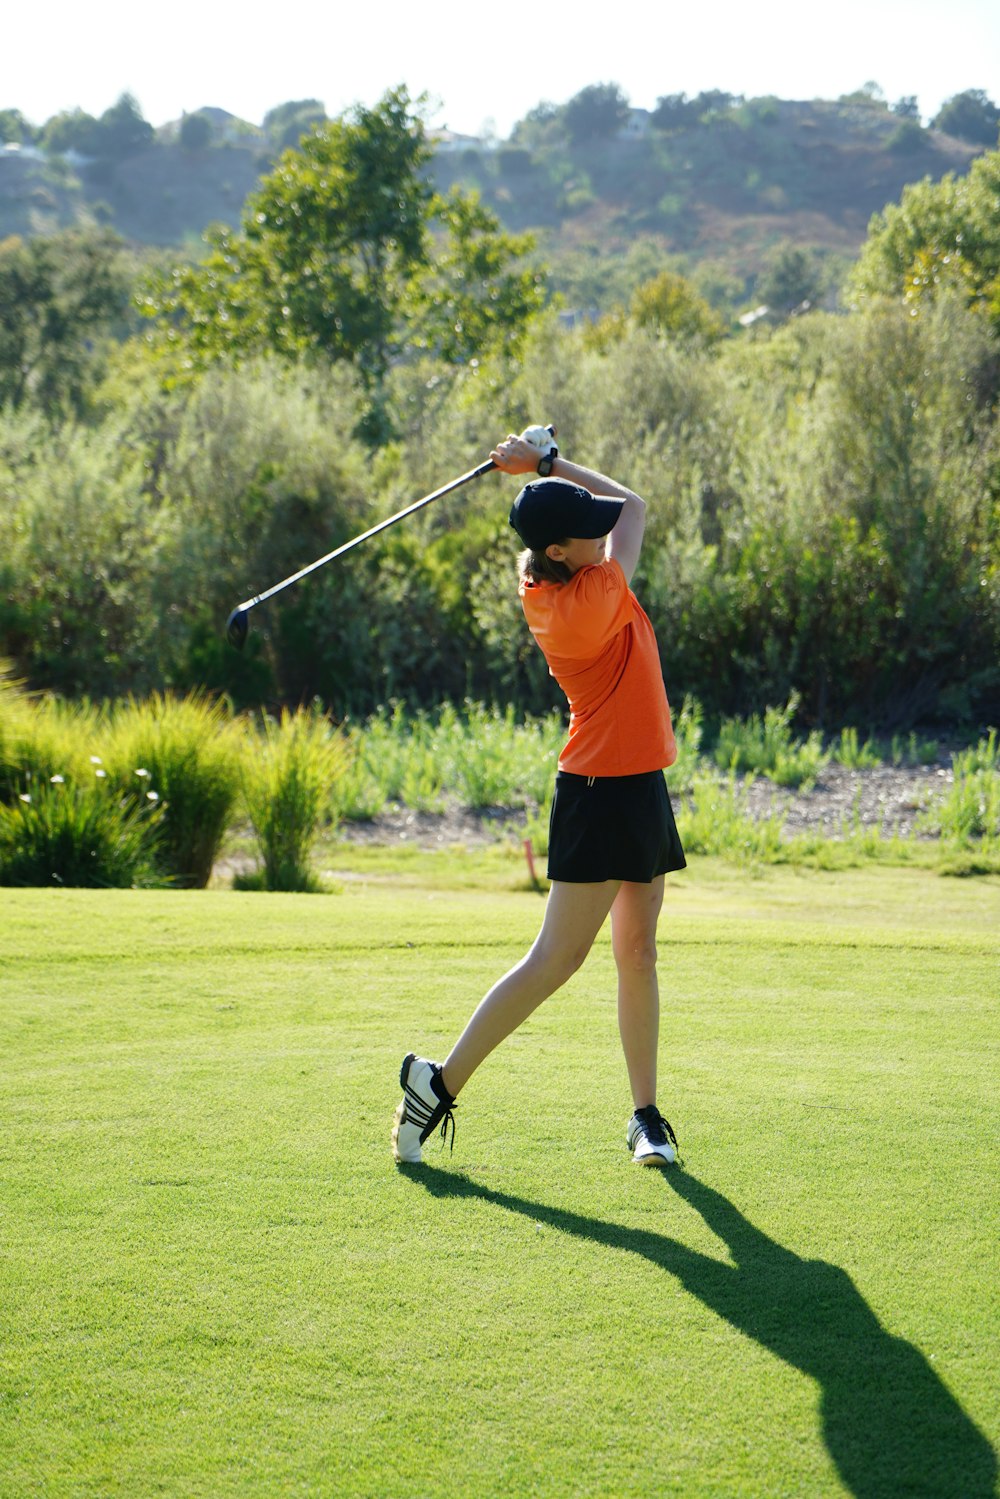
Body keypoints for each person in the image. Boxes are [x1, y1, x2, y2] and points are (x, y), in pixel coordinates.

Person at [392, 429, 686, 1168]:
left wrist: (542, 473)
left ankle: (646, 1117)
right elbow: (635, 507)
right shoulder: (587, 602)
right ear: (561, 553)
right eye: (585, 534)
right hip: (596, 790)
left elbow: (610, 514)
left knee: (638, 950)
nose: (601, 535)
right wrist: (545, 462)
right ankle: (438, 1083)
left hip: (639, 779)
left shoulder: (551, 576)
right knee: (557, 959)